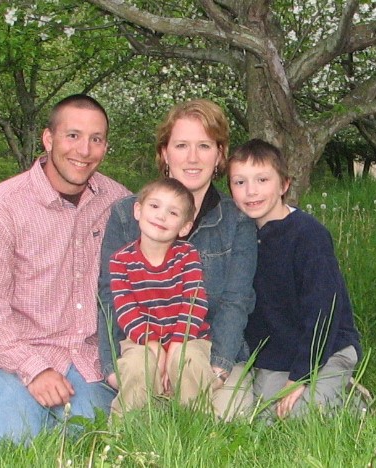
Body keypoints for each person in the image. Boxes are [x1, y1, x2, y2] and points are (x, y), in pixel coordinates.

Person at [0, 94, 131, 443]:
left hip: (88, 359)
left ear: (105, 146)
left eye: (96, 139)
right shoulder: (0, 208)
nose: (84, 150)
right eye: (73, 136)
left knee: (93, 441)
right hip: (15, 358)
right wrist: (35, 369)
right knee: (12, 444)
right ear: (48, 138)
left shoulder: (118, 203)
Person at [98, 99, 257, 419]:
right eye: (182, 145)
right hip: (142, 352)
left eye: (204, 146)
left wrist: (217, 370)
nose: (192, 157)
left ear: (219, 155)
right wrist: (113, 368)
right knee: (139, 417)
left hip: (210, 353)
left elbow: (236, 301)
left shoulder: (236, 221)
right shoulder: (128, 215)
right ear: (165, 153)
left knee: (225, 419)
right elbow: (109, 297)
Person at [227, 138, 363, 420]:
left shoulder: (308, 235)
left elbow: (323, 311)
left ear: (284, 185)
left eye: (262, 179)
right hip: (276, 358)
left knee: (301, 416)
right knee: (265, 420)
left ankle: (352, 397)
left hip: (326, 350)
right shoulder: (240, 237)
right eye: (240, 182)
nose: (251, 191)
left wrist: (301, 376)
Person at [109, 178, 214, 415]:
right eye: (154, 206)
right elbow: (126, 310)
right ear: (138, 210)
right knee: (138, 365)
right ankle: (128, 427)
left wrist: (176, 346)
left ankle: (195, 423)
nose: (161, 216)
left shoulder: (187, 255)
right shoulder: (120, 261)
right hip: (141, 340)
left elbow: (194, 302)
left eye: (173, 212)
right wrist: (153, 345)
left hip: (189, 337)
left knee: (188, 361)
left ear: (185, 227)